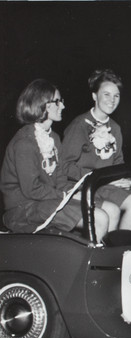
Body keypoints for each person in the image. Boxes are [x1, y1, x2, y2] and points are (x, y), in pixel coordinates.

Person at [0, 79, 119, 242]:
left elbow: (61, 177)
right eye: (57, 101)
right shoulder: (25, 142)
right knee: (100, 218)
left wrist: (73, 194)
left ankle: (105, 261)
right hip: (24, 208)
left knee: (111, 210)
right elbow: (32, 190)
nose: (62, 106)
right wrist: (65, 195)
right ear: (42, 104)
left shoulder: (54, 138)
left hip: (47, 200)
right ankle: (91, 264)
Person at [62, 69, 131, 231]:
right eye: (106, 94)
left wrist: (124, 178)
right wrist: (103, 179)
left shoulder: (115, 127)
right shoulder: (79, 125)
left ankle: (121, 235)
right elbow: (65, 167)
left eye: (116, 96)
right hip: (86, 184)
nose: (112, 100)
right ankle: (115, 246)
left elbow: (118, 162)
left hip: (107, 184)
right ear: (94, 96)